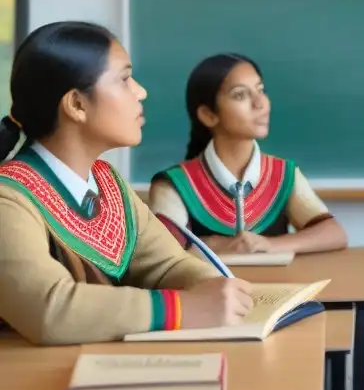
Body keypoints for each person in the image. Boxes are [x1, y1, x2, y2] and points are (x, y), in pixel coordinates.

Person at [0, 21, 253, 345]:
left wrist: (221, 290)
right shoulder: (10, 198)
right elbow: (49, 309)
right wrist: (180, 309)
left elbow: (165, 265)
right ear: (77, 104)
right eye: (124, 79)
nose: (140, 91)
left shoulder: (108, 182)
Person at [148, 53, 347, 255]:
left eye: (261, 90)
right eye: (240, 95)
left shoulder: (282, 174)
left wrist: (270, 245)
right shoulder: (176, 184)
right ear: (209, 115)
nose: (260, 103)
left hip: (276, 286)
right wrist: (215, 245)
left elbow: (333, 233)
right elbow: (160, 253)